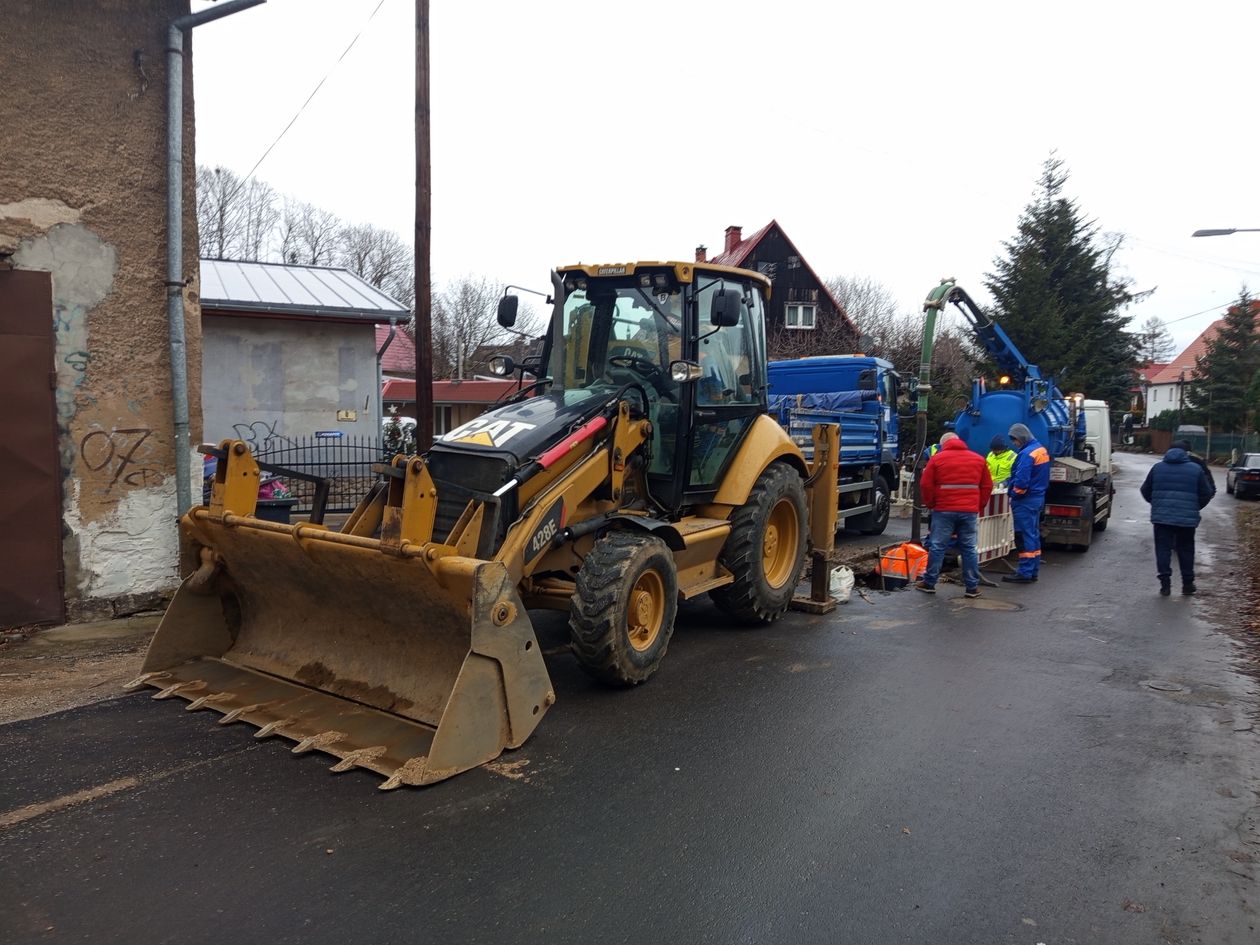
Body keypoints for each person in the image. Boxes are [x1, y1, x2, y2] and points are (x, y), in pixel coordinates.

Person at [914, 432, 993, 599]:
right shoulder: (978, 459)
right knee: (969, 548)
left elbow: (925, 484)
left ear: (943, 445)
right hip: (969, 511)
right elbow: (987, 486)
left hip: (944, 510)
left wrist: (931, 504)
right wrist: (978, 505)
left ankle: (929, 583)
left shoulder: (937, 459)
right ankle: (972, 587)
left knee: (937, 546)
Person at [1140, 444, 1214, 595]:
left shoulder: (1157, 468)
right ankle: (1187, 584)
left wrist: (1157, 504)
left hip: (1162, 519)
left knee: (1163, 549)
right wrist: (1195, 507)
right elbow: (1207, 493)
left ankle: (1165, 585)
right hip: (1186, 520)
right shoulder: (1195, 469)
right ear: (1186, 453)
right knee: (1186, 550)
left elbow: (1145, 490)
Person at [1002, 422, 1051, 584]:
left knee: (1023, 535)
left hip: (1025, 500)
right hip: (1037, 498)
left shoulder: (1026, 454)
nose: (1014, 443)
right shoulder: (1040, 450)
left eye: (1014, 440)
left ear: (1021, 437)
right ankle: (1033, 570)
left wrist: (1014, 494)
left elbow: (1022, 480)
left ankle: (1024, 572)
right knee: (1033, 535)